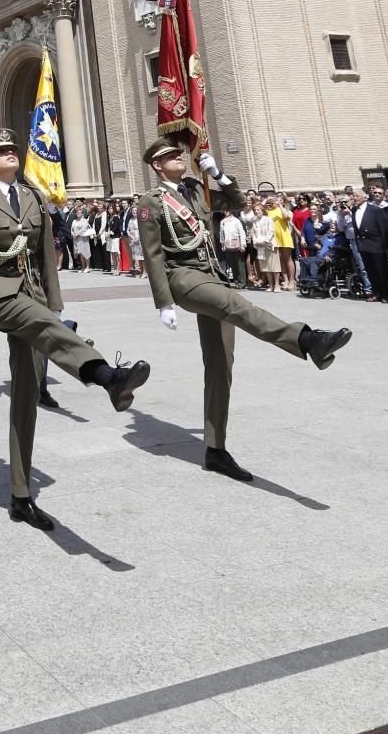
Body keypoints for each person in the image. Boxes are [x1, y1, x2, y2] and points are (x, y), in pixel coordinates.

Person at [0, 128, 150, 530]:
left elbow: (43, 256)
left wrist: (54, 301)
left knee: (25, 392)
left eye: (12, 148)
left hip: (33, 294)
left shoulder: (34, 198)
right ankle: (107, 375)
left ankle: (21, 495)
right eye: (1, 151)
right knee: (44, 324)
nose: (10, 153)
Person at [137, 138, 352, 484]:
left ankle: (215, 449)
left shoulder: (196, 190)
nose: (179, 157)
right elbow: (153, 254)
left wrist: (219, 174)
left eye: (179, 153)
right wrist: (163, 300)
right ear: (157, 166)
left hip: (213, 275)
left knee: (221, 364)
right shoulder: (151, 202)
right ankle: (307, 339)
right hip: (185, 278)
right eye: (169, 156)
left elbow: (238, 204)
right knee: (237, 305)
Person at [217, 206, 247, 289]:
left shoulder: (236, 221)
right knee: (233, 265)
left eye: (227, 210)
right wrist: (222, 245)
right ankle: (237, 281)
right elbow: (221, 234)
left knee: (239, 265)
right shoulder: (222, 221)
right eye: (224, 210)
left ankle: (242, 282)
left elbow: (241, 232)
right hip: (227, 245)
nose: (226, 212)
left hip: (237, 245)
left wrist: (243, 245)